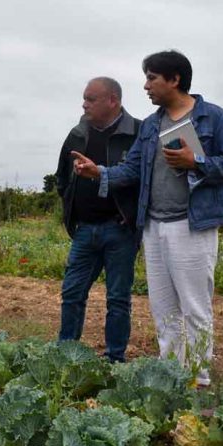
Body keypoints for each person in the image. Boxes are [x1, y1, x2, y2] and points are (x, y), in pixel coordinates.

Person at [72, 51, 223, 386]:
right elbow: (134, 168)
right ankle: (171, 376)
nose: (146, 86)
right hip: (153, 226)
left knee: (194, 307)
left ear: (174, 79)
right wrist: (99, 172)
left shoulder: (213, 118)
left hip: (191, 225)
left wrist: (196, 161)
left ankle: (198, 380)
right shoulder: (152, 124)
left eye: (152, 77)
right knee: (163, 308)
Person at [55, 77, 141, 363]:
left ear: (113, 101)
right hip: (85, 231)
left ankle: (114, 359)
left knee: (118, 299)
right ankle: (67, 355)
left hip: (120, 231)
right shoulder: (77, 134)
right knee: (72, 293)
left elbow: (142, 177)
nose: (84, 104)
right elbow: (61, 177)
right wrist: (73, 208)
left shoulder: (137, 133)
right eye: (84, 98)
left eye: (91, 99)